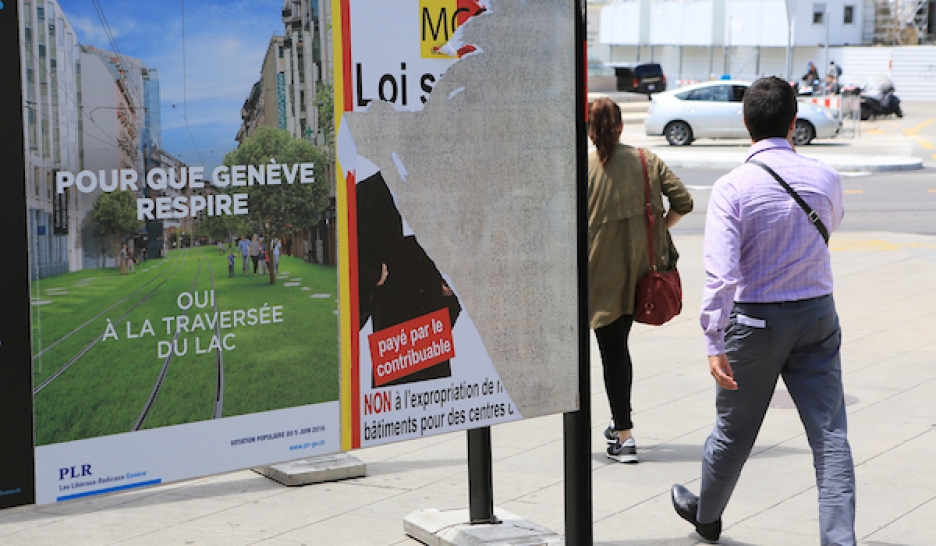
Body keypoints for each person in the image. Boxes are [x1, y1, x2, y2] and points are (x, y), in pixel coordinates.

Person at [671, 77, 855, 544]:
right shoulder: (825, 178)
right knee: (830, 436)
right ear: (794, 122)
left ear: (745, 122)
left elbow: (722, 275)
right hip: (816, 315)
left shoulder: (732, 188)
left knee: (734, 430)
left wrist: (714, 339)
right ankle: (839, 539)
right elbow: (828, 225)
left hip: (754, 322)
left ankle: (707, 516)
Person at [587, 97, 693, 464]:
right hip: (642, 273)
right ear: (620, 126)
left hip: (599, 277)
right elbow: (684, 201)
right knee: (619, 353)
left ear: (589, 128)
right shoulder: (647, 160)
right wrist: (660, 230)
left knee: (612, 353)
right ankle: (620, 428)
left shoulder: (580, 167)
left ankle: (625, 435)